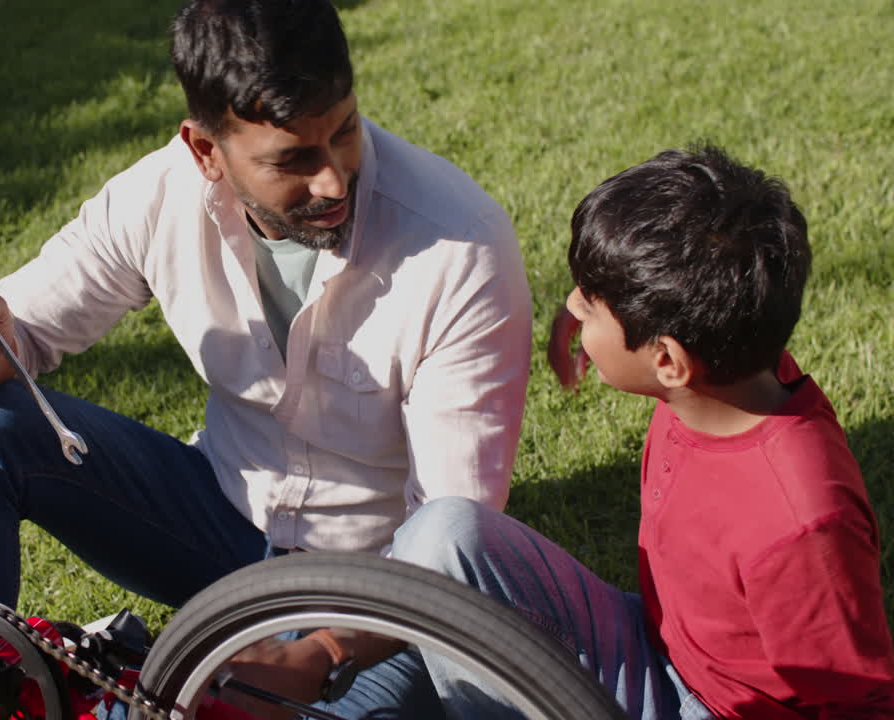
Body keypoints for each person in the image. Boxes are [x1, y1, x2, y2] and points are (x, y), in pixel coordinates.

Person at [0, 0, 531, 666]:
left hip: (373, 592)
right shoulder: (158, 198)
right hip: (218, 520)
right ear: (205, 150)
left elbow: (452, 543)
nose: (333, 177)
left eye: (345, 131)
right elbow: (20, 330)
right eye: (292, 160)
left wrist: (317, 655)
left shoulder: (460, 247)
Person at [248, 145, 894, 719]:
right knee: (445, 529)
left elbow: (852, 701)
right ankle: (342, 657)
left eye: (589, 302)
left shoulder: (802, 525)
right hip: (657, 643)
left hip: (709, 707)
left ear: (667, 361)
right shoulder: (737, 370)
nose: (574, 305)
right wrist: (588, 315)